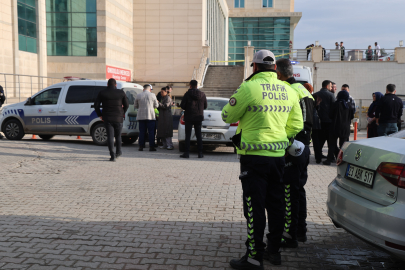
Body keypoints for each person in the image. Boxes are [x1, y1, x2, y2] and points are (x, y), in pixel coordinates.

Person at [222, 50, 303, 269]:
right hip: (278, 158)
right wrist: (279, 137)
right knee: (276, 204)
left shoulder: (248, 88)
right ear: (275, 68)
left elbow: (227, 115)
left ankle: (253, 257)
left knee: (254, 207)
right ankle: (274, 251)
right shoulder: (289, 90)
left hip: (253, 159)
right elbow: (297, 125)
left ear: (255, 67)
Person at [275, 58, 314, 249]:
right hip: (304, 147)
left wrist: (289, 146)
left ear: (279, 74)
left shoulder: (288, 91)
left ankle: (289, 236)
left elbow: (296, 123)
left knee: (289, 192)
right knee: (298, 190)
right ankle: (300, 230)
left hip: (293, 147)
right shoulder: (304, 90)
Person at [94, 78, 129, 162]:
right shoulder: (121, 92)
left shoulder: (102, 92)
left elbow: (96, 105)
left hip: (107, 118)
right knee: (118, 136)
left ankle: (112, 155)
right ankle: (119, 152)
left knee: (110, 136)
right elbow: (126, 105)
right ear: (115, 85)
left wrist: (100, 115)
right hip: (118, 118)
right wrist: (122, 113)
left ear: (107, 85)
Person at [180, 80, 207, 158]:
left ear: (190, 85)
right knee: (198, 135)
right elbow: (205, 106)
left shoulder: (187, 94)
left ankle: (187, 153)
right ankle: (200, 153)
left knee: (187, 135)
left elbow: (182, 106)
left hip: (189, 117)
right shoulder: (202, 94)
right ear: (197, 86)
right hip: (198, 117)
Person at [314, 80, 336, 164]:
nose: (331, 88)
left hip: (319, 122)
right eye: (331, 86)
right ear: (327, 86)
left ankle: (318, 157)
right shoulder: (331, 95)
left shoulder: (315, 94)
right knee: (330, 141)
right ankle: (331, 157)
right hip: (329, 122)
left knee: (320, 140)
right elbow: (334, 108)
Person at [329, 91, 354, 158]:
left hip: (335, 127)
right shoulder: (349, 105)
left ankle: (329, 158)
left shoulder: (335, 104)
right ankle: (343, 158)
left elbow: (330, 115)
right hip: (345, 127)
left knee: (332, 144)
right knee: (343, 145)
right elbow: (352, 116)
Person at [135, 84, 159, 151]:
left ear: (143, 89)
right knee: (151, 132)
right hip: (150, 116)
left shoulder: (138, 95)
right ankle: (151, 146)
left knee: (142, 132)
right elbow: (156, 106)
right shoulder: (153, 95)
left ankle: (141, 146)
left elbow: (135, 106)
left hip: (141, 116)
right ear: (150, 89)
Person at [311, 93, 322, 162]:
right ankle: (318, 158)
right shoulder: (317, 106)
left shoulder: (310, 105)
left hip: (310, 125)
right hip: (317, 125)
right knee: (316, 142)